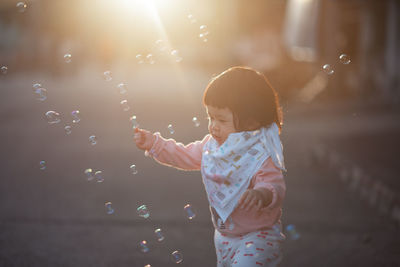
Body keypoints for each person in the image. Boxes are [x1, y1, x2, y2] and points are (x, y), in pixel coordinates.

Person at [134, 66, 286, 267]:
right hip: (223, 237)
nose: (213, 126)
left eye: (222, 120)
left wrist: (261, 194)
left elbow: (274, 184)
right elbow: (184, 154)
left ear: (251, 122)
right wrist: (155, 143)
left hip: (259, 237)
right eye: (210, 117)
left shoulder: (260, 153)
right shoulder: (212, 147)